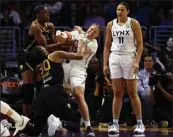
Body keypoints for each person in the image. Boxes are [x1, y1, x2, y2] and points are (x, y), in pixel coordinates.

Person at [14, 42, 85, 136]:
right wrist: (82, 43)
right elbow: (79, 56)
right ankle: (59, 123)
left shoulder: (38, 66)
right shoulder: (55, 54)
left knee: (36, 130)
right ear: (43, 50)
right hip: (54, 91)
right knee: (76, 124)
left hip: (42, 94)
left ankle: (13, 125)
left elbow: (38, 81)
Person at [19, 5, 73, 117]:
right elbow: (45, 47)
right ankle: (25, 119)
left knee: (41, 88)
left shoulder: (50, 26)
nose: (48, 15)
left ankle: (41, 117)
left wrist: (66, 46)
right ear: (38, 15)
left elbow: (53, 45)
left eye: (48, 13)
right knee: (28, 91)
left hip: (40, 58)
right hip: (28, 58)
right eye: (45, 13)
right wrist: (62, 44)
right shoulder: (35, 26)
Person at [103, 2, 144, 135]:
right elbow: (107, 46)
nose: (119, 12)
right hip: (115, 57)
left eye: (122, 10)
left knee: (132, 92)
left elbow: (140, 45)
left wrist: (137, 62)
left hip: (129, 57)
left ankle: (139, 122)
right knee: (117, 93)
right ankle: (114, 123)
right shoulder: (110, 24)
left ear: (128, 11)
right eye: (117, 10)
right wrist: (104, 64)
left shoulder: (134, 23)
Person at [57, 24, 101, 136]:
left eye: (94, 32)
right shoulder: (78, 34)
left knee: (78, 94)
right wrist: (60, 34)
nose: (91, 32)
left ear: (96, 36)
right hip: (64, 65)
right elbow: (63, 36)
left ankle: (88, 126)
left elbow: (79, 54)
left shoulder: (93, 44)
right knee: (56, 94)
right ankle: (54, 121)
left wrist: (80, 35)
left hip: (79, 69)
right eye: (91, 29)